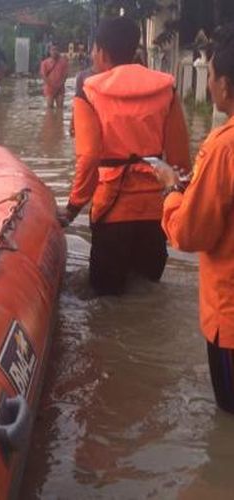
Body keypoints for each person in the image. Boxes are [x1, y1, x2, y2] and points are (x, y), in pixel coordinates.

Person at [59, 17, 191, 295]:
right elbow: (179, 156)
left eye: (94, 50)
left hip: (112, 212)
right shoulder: (166, 88)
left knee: (106, 304)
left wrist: (72, 209)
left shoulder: (88, 92)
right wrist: (182, 199)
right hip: (156, 211)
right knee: (148, 297)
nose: (93, 56)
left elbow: (89, 157)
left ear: (103, 52)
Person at [157, 24, 234, 414]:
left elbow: (190, 233)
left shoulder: (223, 147)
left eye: (212, 77)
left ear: (222, 84)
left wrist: (172, 191)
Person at [40, 43, 69, 108]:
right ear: (49, 51)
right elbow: (43, 76)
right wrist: (51, 85)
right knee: (49, 108)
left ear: (58, 51)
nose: (54, 52)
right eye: (53, 50)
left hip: (60, 89)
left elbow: (65, 75)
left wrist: (59, 85)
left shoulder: (64, 62)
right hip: (49, 89)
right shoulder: (45, 63)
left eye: (56, 50)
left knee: (60, 108)